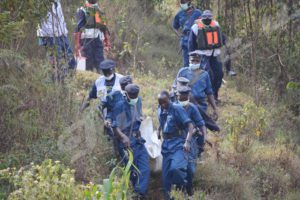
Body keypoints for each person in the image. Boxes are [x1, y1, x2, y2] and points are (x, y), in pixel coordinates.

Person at [112, 84, 150, 198]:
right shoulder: (119, 106)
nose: (134, 98)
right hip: (126, 142)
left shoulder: (138, 101)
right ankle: (137, 194)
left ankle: (141, 194)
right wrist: (123, 137)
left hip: (138, 140)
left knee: (145, 169)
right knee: (133, 171)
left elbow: (139, 115)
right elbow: (115, 126)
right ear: (126, 94)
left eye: (136, 96)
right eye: (131, 96)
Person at [158, 91, 195, 200]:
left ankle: (182, 190)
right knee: (165, 180)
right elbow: (161, 122)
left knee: (176, 168)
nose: (163, 105)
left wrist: (187, 142)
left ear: (169, 99)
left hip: (178, 143)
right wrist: (158, 130)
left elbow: (190, 126)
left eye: (165, 102)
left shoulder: (177, 108)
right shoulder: (160, 108)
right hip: (166, 145)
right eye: (160, 103)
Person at [175, 52, 220, 132]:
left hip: (201, 105)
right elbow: (174, 88)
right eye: (193, 61)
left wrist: (215, 108)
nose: (194, 63)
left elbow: (209, 93)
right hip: (184, 105)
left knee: (201, 129)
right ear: (189, 60)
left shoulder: (205, 75)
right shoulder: (182, 72)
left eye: (197, 61)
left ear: (200, 61)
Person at [80, 60, 124, 139]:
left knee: (122, 134)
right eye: (105, 73)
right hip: (105, 114)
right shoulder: (99, 82)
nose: (107, 74)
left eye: (108, 72)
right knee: (109, 136)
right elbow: (90, 97)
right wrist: (81, 110)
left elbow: (130, 95)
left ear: (113, 70)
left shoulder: (121, 79)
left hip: (120, 112)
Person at [176, 86, 207, 196]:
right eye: (181, 97)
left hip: (191, 142)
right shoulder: (173, 107)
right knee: (177, 168)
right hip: (176, 141)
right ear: (177, 96)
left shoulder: (192, 108)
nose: (183, 100)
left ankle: (189, 190)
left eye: (185, 98)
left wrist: (204, 139)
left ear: (188, 96)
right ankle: (179, 190)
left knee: (190, 169)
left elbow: (201, 124)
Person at [189, 10, 224, 102]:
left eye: (209, 19)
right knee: (208, 74)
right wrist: (192, 56)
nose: (208, 21)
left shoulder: (216, 25)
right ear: (202, 19)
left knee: (219, 74)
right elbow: (191, 43)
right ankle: (208, 96)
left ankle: (215, 94)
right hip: (202, 54)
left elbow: (222, 38)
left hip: (215, 53)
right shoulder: (195, 27)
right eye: (206, 20)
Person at [37, 0, 76, 71]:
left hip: (62, 34)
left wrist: (63, 31)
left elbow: (60, 19)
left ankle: (70, 79)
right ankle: (57, 80)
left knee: (72, 62)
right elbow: (43, 24)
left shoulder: (57, 2)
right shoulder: (42, 4)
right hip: (50, 36)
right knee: (57, 63)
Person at [74, 0, 111, 72]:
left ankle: (102, 78)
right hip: (86, 41)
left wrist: (107, 42)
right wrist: (77, 45)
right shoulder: (82, 10)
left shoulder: (98, 10)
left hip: (98, 40)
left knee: (100, 62)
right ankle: (89, 80)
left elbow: (104, 28)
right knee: (88, 63)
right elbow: (78, 29)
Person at [173, 0, 202, 67]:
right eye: (181, 3)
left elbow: (203, 26)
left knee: (198, 61)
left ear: (189, 3)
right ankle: (187, 76)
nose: (182, 4)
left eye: (184, 3)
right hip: (185, 40)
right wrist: (179, 35)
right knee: (186, 63)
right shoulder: (179, 14)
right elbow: (175, 27)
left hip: (196, 40)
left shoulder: (198, 13)